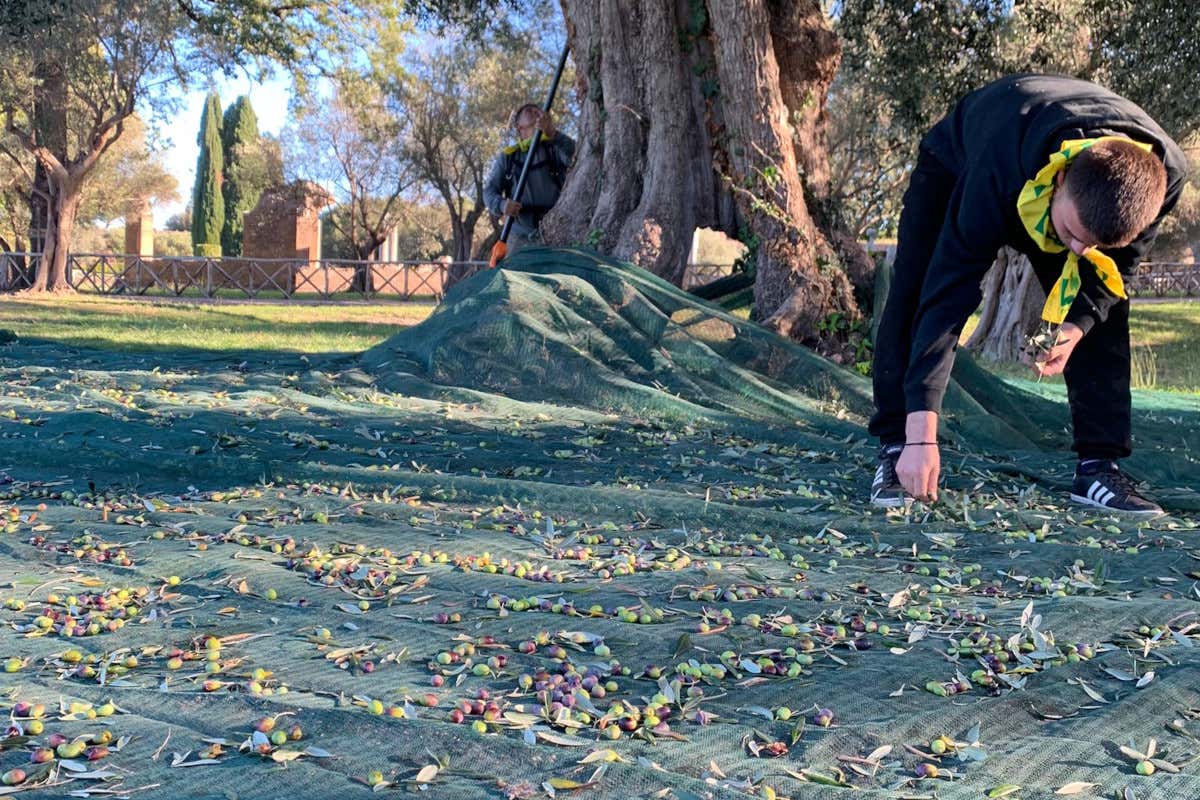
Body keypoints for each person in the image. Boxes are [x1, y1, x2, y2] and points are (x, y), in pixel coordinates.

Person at [870, 74, 1188, 515]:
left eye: (1096, 243)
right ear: (1060, 183)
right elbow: (949, 295)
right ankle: (896, 446)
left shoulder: (1166, 178)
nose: (1079, 251)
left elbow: (1117, 273)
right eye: (1075, 235)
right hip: (960, 159)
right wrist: (923, 435)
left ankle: (1098, 465)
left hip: (1056, 171)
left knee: (1105, 305)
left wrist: (1078, 325)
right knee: (916, 289)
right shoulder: (995, 173)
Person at [483, 103, 576, 256]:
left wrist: (554, 134)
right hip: (519, 237)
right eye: (530, 112)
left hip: (556, 234)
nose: (536, 113)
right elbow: (489, 192)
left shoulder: (555, 148)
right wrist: (501, 205)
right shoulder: (508, 157)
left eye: (538, 112)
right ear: (520, 128)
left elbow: (577, 157)